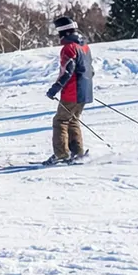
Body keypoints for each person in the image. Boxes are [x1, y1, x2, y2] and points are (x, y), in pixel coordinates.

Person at [44, 16, 94, 165]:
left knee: (60, 120)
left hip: (72, 92)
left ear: (62, 32)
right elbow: (90, 70)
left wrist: (55, 88)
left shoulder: (69, 48)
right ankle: (77, 152)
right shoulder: (84, 47)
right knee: (72, 120)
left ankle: (61, 154)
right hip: (85, 91)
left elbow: (68, 71)